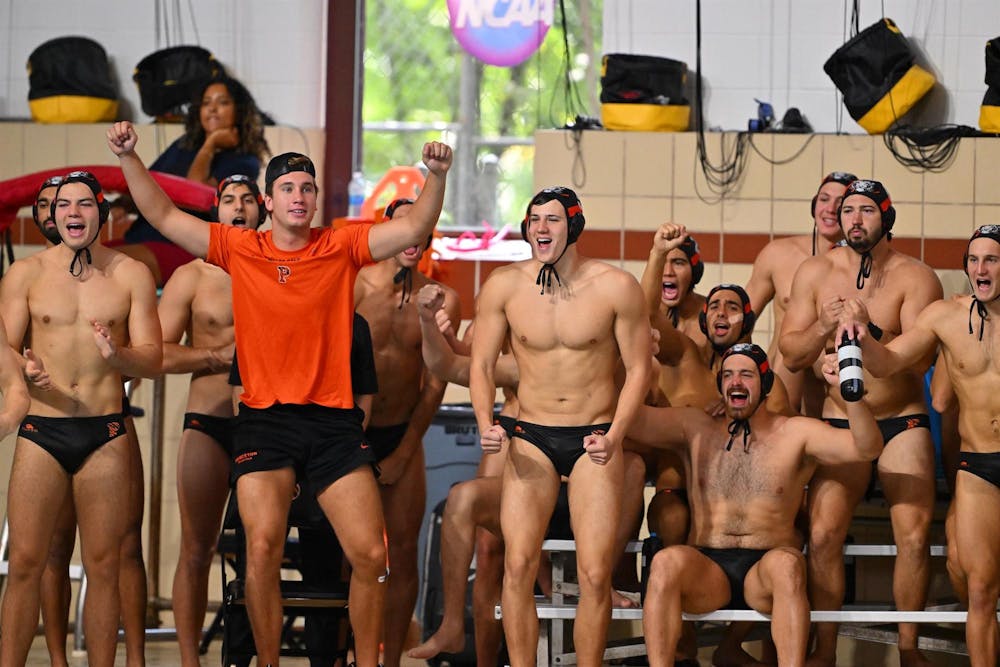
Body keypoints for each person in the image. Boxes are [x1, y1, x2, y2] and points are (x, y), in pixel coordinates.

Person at [108, 120, 452, 667]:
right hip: (265, 423)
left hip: (333, 424)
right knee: (262, 549)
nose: (299, 196)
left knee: (370, 555)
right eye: (288, 188)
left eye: (307, 188)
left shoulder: (340, 245)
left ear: (315, 201)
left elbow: (414, 227)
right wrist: (130, 159)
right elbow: (165, 216)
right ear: (268, 202)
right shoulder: (240, 247)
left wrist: (436, 175)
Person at [470, 186, 652, 667]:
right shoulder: (504, 286)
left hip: (593, 437)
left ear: (574, 226)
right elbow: (481, 365)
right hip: (531, 434)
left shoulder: (615, 286)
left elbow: (639, 370)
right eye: (534, 220)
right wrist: (487, 422)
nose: (541, 228)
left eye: (552, 219)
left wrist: (615, 436)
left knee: (594, 575)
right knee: (517, 565)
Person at [629, 344, 883, 667]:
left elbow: (867, 448)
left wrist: (851, 394)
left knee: (788, 566)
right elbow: (631, 420)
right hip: (707, 570)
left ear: (765, 385)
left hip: (766, 570)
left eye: (746, 375)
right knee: (664, 563)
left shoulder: (794, 433)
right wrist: (636, 359)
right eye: (728, 375)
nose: (735, 382)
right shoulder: (694, 426)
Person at [0, 170, 163, 667]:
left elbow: (153, 358)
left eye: (85, 204)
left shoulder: (131, 274)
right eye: (64, 205)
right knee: (24, 562)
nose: (74, 212)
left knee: (104, 566)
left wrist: (119, 356)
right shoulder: (25, 274)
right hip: (42, 430)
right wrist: (22, 367)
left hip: (104, 432)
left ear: (102, 213)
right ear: (52, 216)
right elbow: (4, 346)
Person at [778, 179, 942, 667]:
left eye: (866, 210)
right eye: (848, 209)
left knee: (914, 535)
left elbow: (918, 361)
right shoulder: (815, 272)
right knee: (823, 535)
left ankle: (908, 648)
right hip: (839, 420)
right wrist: (825, 326)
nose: (853, 219)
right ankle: (826, 649)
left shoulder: (916, 277)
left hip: (900, 420)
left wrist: (869, 328)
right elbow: (791, 353)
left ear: (886, 218)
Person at [844, 224, 1000, 667]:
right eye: (973, 260)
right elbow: (890, 361)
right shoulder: (945, 317)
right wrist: (864, 334)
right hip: (977, 467)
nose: (980, 269)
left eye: (991, 260)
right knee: (980, 590)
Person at [157, 174, 264, 667]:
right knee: (197, 548)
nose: (238, 207)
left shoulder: (281, 268)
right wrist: (215, 356)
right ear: (216, 212)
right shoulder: (192, 277)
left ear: (262, 210)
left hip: (267, 425)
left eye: (247, 200)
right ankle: (189, 661)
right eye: (229, 200)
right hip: (209, 419)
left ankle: (259, 656)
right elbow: (155, 352)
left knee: (261, 551)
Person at [352, 197, 461, 667]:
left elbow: (434, 386)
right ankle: (349, 655)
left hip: (402, 432)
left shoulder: (442, 299)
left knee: (401, 552)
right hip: (350, 434)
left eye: (421, 226)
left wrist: (403, 452)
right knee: (352, 555)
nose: (412, 236)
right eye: (403, 226)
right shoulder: (356, 284)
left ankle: (391, 661)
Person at [113, 73, 270, 286]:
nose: (212, 109)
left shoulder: (244, 160)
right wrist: (122, 204)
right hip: (140, 235)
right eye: (206, 103)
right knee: (82, 258)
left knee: (101, 265)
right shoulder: (183, 145)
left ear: (239, 111)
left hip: (181, 246)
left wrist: (211, 144)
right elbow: (149, 184)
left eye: (222, 102)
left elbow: (194, 191)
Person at [745, 171, 855, 415]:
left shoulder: (862, 267)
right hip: (784, 379)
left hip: (832, 384)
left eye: (840, 203)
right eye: (824, 199)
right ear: (814, 205)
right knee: (792, 349)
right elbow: (741, 319)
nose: (830, 209)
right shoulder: (778, 254)